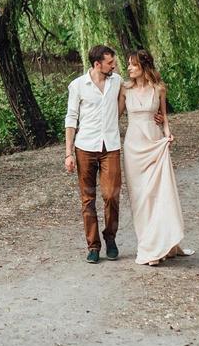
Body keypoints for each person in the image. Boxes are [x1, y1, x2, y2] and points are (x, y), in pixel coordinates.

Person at [64, 44, 157, 263]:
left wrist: (156, 114)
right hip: (85, 148)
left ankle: (110, 237)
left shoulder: (117, 83)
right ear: (98, 64)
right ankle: (93, 246)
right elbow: (71, 119)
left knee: (111, 195)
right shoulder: (77, 86)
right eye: (110, 63)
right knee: (88, 199)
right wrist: (68, 153)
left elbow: (140, 90)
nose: (115, 66)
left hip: (111, 148)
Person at [118, 49, 192, 265]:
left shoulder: (159, 89)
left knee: (159, 195)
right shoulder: (125, 90)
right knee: (140, 198)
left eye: (133, 65)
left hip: (154, 142)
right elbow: (115, 115)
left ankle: (160, 245)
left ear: (143, 66)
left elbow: (164, 117)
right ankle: (148, 245)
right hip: (133, 147)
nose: (129, 68)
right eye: (128, 65)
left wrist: (168, 133)